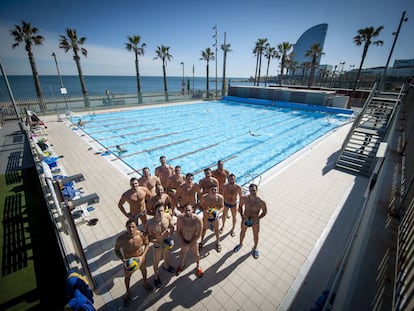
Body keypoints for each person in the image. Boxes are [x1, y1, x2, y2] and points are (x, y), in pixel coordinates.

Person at [114, 219, 152, 306]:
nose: (131, 229)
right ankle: (127, 291)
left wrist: (143, 256)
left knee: (144, 271)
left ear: (136, 227)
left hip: (140, 259)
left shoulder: (141, 235)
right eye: (129, 227)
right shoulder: (121, 239)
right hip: (129, 262)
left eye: (133, 227)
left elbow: (147, 244)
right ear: (126, 228)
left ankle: (145, 283)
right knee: (127, 277)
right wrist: (122, 259)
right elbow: (116, 250)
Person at [145, 203, 175, 288]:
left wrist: (170, 237)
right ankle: (155, 276)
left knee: (166, 256)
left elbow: (172, 226)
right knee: (156, 261)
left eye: (162, 210)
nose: (161, 213)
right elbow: (146, 237)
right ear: (155, 211)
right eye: (158, 211)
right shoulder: (150, 223)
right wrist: (153, 241)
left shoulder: (167, 217)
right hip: (157, 245)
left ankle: (166, 266)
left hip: (166, 243)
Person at [233, 184, 267, 259]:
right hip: (245, 219)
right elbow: (240, 207)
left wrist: (257, 219)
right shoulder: (244, 199)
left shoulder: (261, 202)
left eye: (254, 190)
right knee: (242, 232)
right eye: (251, 190)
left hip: (255, 221)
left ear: (257, 190)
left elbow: (264, 212)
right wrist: (242, 216)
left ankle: (255, 248)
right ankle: (240, 244)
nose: (252, 192)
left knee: (255, 235)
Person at [175, 204, 204, 278]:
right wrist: (183, 241)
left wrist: (191, 242)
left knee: (196, 255)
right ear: (183, 211)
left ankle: (198, 266)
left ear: (193, 210)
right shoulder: (180, 218)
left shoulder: (197, 220)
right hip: (184, 240)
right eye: (186, 210)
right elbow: (178, 231)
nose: (187, 212)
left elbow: (198, 234)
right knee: (183, 254)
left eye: (189, 210)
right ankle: (182, 265)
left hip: (193, 241)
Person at [199, 185, 224, 253]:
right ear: (209, 190)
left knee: (216, 230)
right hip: (206, 217)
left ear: (217, 190)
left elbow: (222, 207)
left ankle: (218, 242)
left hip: (215, 217)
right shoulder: (204, 197)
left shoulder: (220, 197)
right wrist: (204, 211)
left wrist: (218, 212)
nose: (214, 191)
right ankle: (201, 241)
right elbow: (200, 206)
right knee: (204, 229)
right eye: (212, 189)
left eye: (215, 190)